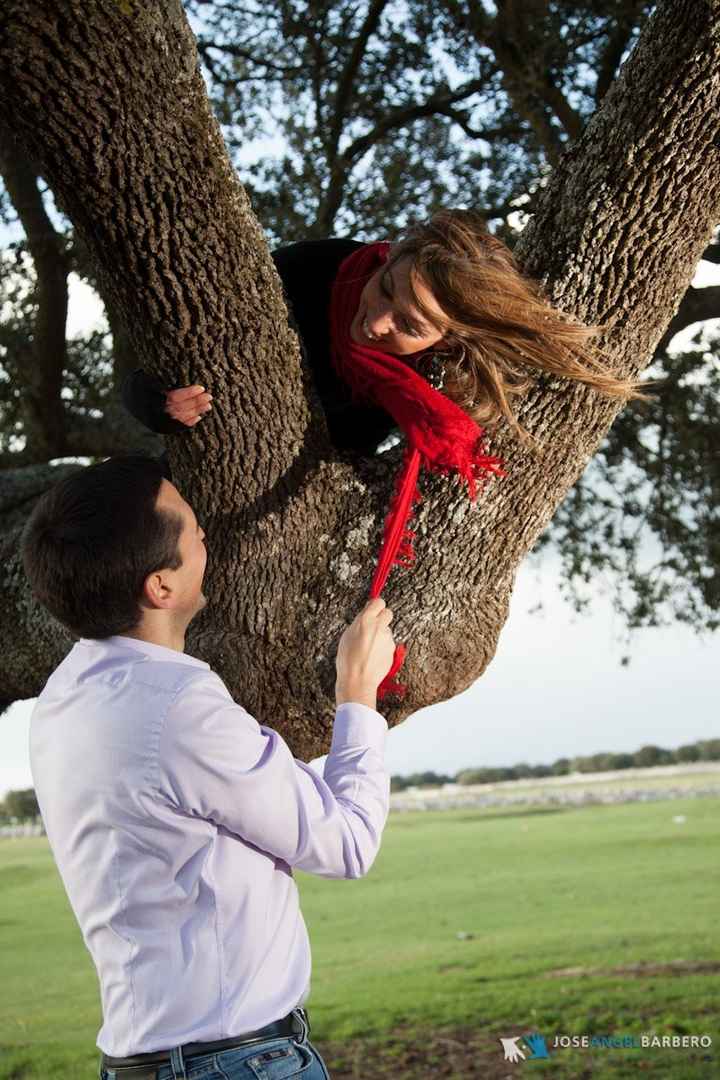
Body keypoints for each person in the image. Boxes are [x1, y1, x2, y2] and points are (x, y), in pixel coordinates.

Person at [21, 454, 396, 1080]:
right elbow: (348, 843)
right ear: (159, 586)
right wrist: (357, 696)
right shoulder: (177, 708)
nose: (204, 538)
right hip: (235, 1062)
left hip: (142, 1062)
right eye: (192, 528)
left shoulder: (61, 699)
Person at [121, 207, 645, 458]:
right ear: (391, 255)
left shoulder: (412, 389)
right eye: (387, 287)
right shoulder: (317, 265)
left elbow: (349, 458)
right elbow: (166, 342)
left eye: (410, 325)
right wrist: (155, 401)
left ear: (444, 341)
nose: (375, 322)